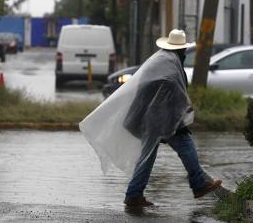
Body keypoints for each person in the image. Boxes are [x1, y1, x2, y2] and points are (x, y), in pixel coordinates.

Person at [79, 29, 222, 208]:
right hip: (161, 115)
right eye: (183, 49)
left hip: (150, 115)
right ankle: (199, 183)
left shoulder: (162, 58)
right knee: (185, 144)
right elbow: (171, 86)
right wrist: (183, 108)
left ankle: (134, 194)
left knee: (147, 155)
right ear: (181, 49)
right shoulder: (170, 63)